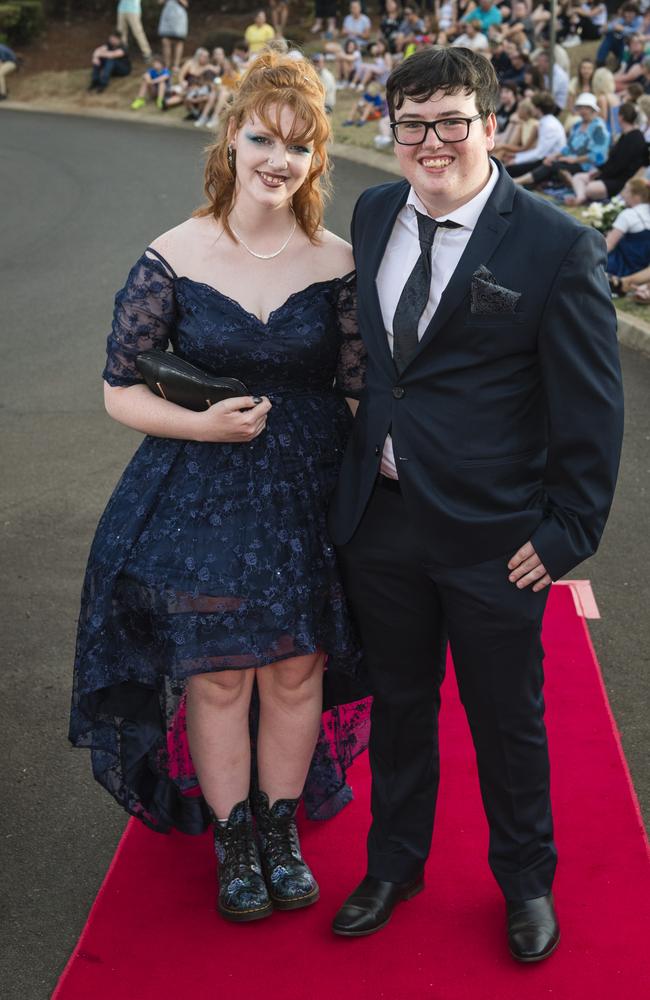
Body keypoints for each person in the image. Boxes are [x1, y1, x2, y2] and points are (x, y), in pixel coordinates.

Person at [328, 45, 624, 960]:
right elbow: (382, 369)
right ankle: (395, 863)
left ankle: (527, 881)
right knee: (402, 703)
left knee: (507, 718)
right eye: (411, 123)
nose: (430, 141)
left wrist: (569, 528)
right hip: (381, 521)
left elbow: (590, 404)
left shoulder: (554, 243)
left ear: (490, 123)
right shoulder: (374, 211)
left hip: (497, 536)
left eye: (451, 120)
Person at [69, 52, 370, 925]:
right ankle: (232, 835)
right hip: (201, 488)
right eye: (262, 138)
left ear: (317, 159)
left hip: (306, 493)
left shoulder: (339, 260)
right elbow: (118, 386)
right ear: (231, 139)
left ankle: (280, 829)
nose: (277, 158)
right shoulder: (175, 252)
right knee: (219, 675)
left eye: (298, 145)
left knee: (296, 666)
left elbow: (359, 391)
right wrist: (203, 425)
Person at [510, 91, 610, 188]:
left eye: (586, 108)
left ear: (593, 110)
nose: (583, 111)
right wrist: (554, 156)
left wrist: (575, 160)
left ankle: (519, 181)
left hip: (588, 165)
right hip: (572, 161)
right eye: (580, 108)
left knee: (552, 165)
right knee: (550, 162)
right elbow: (568, 147)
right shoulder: (577, 125)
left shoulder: (598, 128)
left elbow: (598, 154)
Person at [564, 101, 648, 203]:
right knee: (578, 177)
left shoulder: (635, 138)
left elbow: (620, 166)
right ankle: (581, 197)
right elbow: (612, 161)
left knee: (591, 187)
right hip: (610, 175)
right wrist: (598, 171)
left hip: (620, 180)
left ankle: (582, 194)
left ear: (621, 117)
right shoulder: (625, 135)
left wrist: (601, 175)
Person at [605, 176, 650, 275]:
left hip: (622, 267)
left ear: (636, 196)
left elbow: (608, 245)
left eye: (626, 191)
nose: (623, 195)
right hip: (643, 271)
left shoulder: (629, 214)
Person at [158, 0, 188, 72]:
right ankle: (167, 66)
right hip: (167, 16)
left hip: (179, 17)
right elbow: (159, 2)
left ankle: (176, 65)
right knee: (165, 41)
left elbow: (186, 4)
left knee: (179, 42)